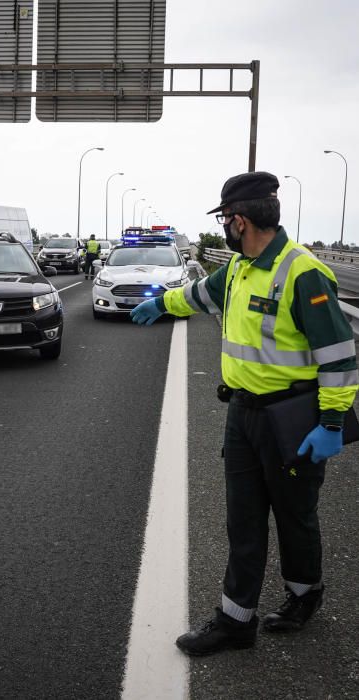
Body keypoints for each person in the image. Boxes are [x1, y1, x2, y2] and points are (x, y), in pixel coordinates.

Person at [130, 171, 358, 656]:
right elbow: (200, 295)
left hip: (293, 418)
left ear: (238, 221)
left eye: (226, 220)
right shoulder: (237, 267)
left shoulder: (302, 271)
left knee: (295, 515)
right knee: (244, 520)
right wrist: (162, 306)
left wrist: (333, 423)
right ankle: (235, 623)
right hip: (243, 415)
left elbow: (339, 354)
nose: (226, 229)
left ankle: (304, 594)